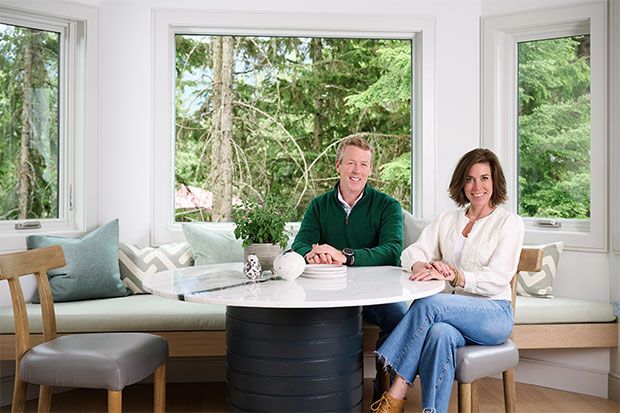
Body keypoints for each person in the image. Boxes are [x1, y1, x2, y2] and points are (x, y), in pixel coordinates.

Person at [370, 148, 524, 413]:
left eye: (484, 178)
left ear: (494, 181)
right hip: (450, 317)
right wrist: (424, 264)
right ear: (461, 183)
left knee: (429, 303)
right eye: (470, 179)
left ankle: (397, 390)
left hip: (493, 314)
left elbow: (498, 279)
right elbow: (410, 253)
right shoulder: (447, 220)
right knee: (440, 334)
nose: (477, 186)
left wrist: (456, 275)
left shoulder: (509, 223)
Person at [292, 135, 406, 400]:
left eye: (364, 164)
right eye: (351, 163)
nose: (357, 170)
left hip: (376, 294)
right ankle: (315, 390)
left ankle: (385, 390)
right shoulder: (319, 206)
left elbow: (392, 251)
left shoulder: (388, 206)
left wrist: (346, 257)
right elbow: (299, 245)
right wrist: (313, 254)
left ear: (370, 169)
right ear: (338, 165)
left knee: (400, 316)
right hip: (327, 293)